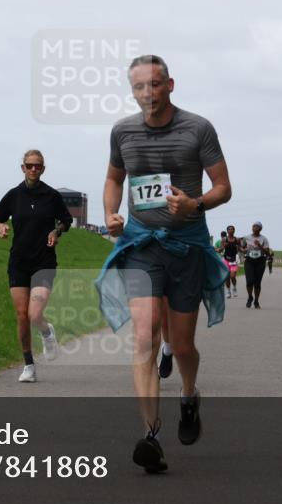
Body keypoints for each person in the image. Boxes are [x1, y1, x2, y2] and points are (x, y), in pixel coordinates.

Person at [96, 55, 231, 473]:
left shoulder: (198, 128)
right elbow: (114, 178)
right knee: (145, 337)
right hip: (140, 244)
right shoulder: (122, 131)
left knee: (184, 344)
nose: (147, 94)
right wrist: (110, 213)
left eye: (154, 85)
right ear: (131, 90)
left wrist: (196, 203)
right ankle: (151, 434)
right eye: (139, 87)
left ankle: (189, 396)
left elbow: (224, 187)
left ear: (170, 85)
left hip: (187, 245)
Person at [0, 150, 73, 383]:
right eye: (29, 165)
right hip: (19, 262)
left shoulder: (52, 195)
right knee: (21, 316)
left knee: (34, 314)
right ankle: (29, 365)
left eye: (38, 166)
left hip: (44, 262)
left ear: (43, 169)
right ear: (23, 168)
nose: (33, 169)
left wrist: (56, 232)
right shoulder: (14, 195)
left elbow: (66, 221)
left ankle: (47, 332)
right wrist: (1, 227)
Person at [240, 221, 272, 309]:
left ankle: (256, 301)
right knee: (249, 282)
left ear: (260, 229)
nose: (255, 228)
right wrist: (244, 250)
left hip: (260, 261)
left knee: (257, 283)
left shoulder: (264, 239)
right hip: (249, 261)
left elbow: (267, 253)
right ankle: (250, 297)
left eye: (257, 227)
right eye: (253, 226)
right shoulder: (246, 237)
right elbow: (241, 248)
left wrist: (259, 246)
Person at [217, 225, 241, 298]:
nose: (231, 230)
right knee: (227, 277)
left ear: (234, 230)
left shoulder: (237, 240)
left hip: (233, 259)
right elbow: (221, 250)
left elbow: (240, 249)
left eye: (232, 229)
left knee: (233, 276)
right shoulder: (224, 240)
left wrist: (245, 250)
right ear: (227, 231)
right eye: (229, 229)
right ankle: (228, 291)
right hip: (226, 259)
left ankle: (234, 287)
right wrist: (224, 246)